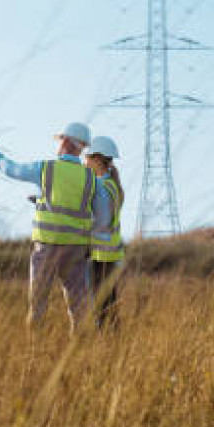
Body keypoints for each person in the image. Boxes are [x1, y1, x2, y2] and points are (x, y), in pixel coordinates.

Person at [0, 122, 112, 332]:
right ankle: (84, 352)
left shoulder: (46, 168)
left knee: (38, 303)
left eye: (61, 139)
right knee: (80, 306)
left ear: (66, 141)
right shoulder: (91, 179)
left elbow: (14, 170)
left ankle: (33, 351)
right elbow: (104, 216)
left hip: (47, 247)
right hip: (76, 249)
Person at [85, 136, 125, 329]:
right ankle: (112, 343)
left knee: (102, 305)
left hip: (102, 255)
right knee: (108, 302)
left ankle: (108, 344)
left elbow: (101, 221)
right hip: (110, 253)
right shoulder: (112, 184)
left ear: (97, 158)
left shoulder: (102, 186)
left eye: (87, 157)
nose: (85, 161)